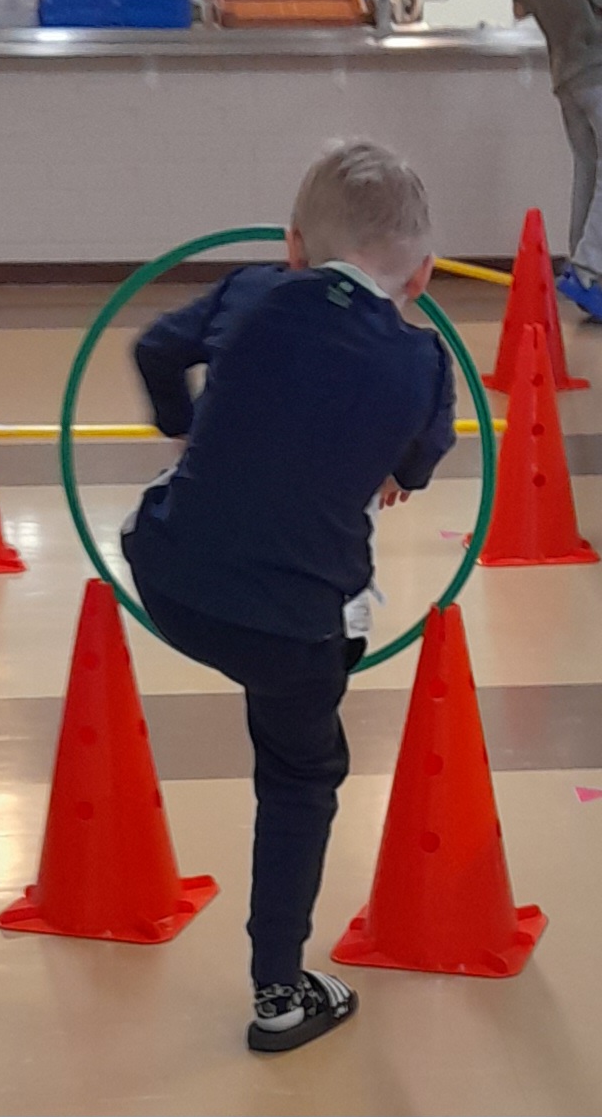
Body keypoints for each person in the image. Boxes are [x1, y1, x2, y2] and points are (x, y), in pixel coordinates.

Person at [121, 141, 456, 1053]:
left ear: (295, 246)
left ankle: (188, 509)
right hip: (296, 629)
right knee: (300, 774)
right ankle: (278, 989)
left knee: (198, 506)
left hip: (173, 581)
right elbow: (423, 457)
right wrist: (396, 470)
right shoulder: (424, 362)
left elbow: (155, 348)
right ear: (422, 275)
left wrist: (189, 429)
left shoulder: (251, 290)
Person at [511, 0, 602, 319]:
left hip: (566, 77)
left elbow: (520, 10)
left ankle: (586, 272)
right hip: (599, 70)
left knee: (588, 170)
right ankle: (588, 267)